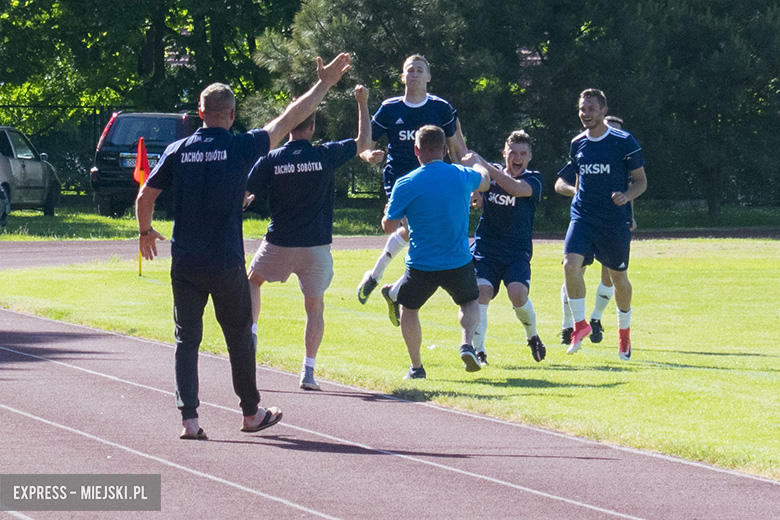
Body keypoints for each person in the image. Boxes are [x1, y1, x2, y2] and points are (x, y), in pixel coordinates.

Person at [136, 53, 352, 440]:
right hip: (224, 262)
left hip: (185, 261)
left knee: (187, 340)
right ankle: (251, 414)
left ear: (200, 113)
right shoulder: (241, 147)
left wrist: (145, 232)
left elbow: (144, 197)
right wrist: (324, 84)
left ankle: (190, 420)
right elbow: (288, 119)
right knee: (239, 337)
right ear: (232, 115)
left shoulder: (177, 151)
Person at [246, 84, 372, 391]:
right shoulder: (324, 154)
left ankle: (250, 333)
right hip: (316, 245)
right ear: (313, 126)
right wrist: (362, 103)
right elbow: (363, 142)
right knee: (314, 307)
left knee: (251, 281)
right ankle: (308, 371)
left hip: (279, 242)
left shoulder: (271, 158)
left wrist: (245, 198)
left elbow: (244, 193)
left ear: (289, 124)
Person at [355, 54, 467, 306]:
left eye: (420, 70)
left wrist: (468, 183)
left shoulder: (441, 108)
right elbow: (365, 144)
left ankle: (381, 281)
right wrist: (368, 155)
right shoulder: (390, 108)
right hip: (400, 181)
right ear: (403, 76)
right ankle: (389, 286)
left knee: (420, 233)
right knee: (412, 231)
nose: (415, 74)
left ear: (428, 77)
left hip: (435, 181)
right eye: (410, 70)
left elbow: (457, 149)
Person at [380, 125, 489, 379]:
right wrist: (477, 163)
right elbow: (483, 181)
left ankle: (416, 367)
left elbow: (389, 227)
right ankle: (466, 344)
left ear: (416, 149)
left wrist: (388, 211)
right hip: (458, 260)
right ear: (444, 149)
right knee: (469, 301)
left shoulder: (405, 183)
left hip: (422, 264)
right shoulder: (461, 174)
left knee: (409, 308)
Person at [554, 88, 647, 360]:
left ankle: (624, 334)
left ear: (603, 110)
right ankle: (580, 325)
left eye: (591, 108)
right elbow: (571, 179)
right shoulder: (577, 143)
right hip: (583, 216)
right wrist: (574, 193)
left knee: (619, 279)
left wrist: (626, 196)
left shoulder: (624, 141)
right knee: (569, 265)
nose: (585, 114)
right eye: (582, 109)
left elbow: (641, 181)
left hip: (613, 221)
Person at [470, 130, 546, 366]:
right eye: (513, 152)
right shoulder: (488, 174)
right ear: (504, 153)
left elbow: (516, 189)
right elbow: (469, 163)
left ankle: (532, 335)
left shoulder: (535, 179)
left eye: (523, 153)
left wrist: (485, 167)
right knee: (481, 293)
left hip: (516, 252)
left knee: (518, 294)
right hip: (487, 249)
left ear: (530, 157)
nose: (517, 158)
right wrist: (475, 189)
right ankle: (479, 351)